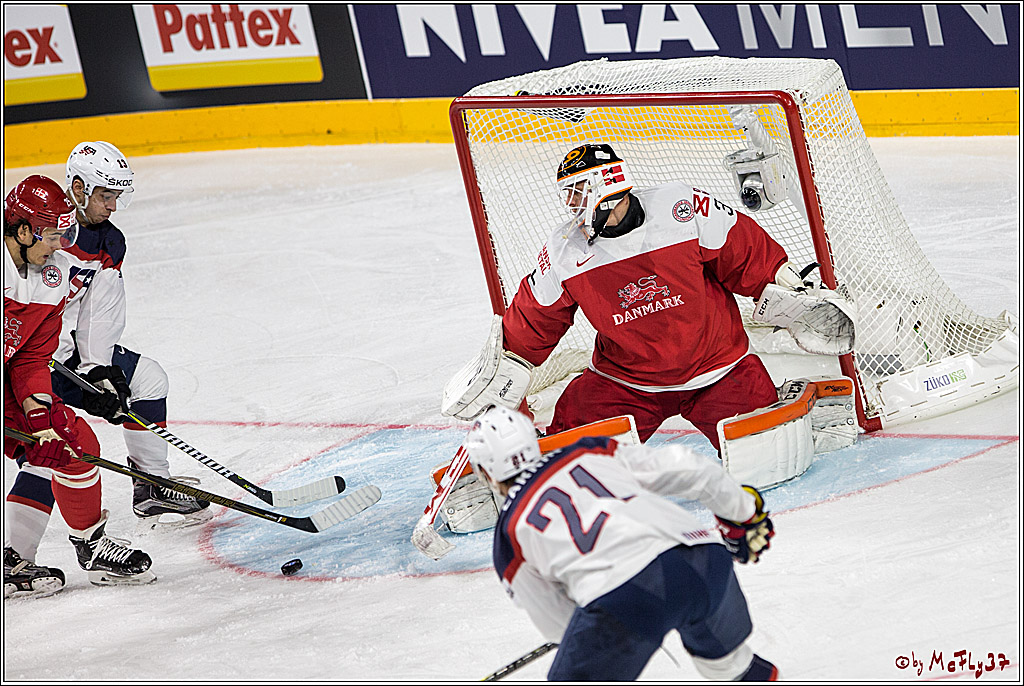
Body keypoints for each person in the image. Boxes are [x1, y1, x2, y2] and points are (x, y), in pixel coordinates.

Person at [443, 142, 854, 478]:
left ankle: (807, 405)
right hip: (624, 384)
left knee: (769, 464)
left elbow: (745, 255)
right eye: (567, 195)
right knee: (569, 474)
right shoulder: (564, 251)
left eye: (578, 192)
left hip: (720, 371)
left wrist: (790, 289)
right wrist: (502, 376)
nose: (572, 205)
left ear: (609, 185)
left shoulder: (681, 207)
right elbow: (532, 322)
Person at [4, 143, 210, 572]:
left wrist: (95, 371)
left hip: (46, 359)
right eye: (105, 195)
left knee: (67, 439)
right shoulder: (35, 249)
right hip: (33, 360)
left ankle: (146, 491)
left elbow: (56, 336)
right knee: (52, 450)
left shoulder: (66, 264)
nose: (113, 206)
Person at [465, 405, 778, 681]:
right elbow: (690, 468)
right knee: (731, 667)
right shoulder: (589, 452)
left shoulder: (508, 536)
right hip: (703, 559)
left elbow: (557, 625)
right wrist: (743, 513)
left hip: (625, 596)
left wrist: (600, 625)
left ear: (484, 472)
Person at [4, 175, 154, 598]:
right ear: (23, 230)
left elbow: (31, 358)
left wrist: (40, 417)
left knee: (72, 442)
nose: (59, 246)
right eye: (53, 235)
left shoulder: (50, 276)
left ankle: (89, 545)